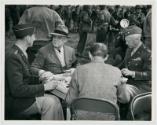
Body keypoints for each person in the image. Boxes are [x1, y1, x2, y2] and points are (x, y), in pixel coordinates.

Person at [5, 24, 64, 120]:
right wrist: (44, 87)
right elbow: (17, 90)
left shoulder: (19, 52)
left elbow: (25, 77)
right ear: (28, 38)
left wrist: (40, 79)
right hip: (15, 102)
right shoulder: (13, 56)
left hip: (20, 98)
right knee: (51, 102)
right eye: (33, 35)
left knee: (56, 100)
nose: (35, 38)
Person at [66, 43, 129, 120]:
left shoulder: (78, 70)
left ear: (89, 55)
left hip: (82, 117)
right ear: (106, 57)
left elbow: (69, 101)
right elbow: (124, 99)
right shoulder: (116, 71)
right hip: (108, 118)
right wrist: (123, 85)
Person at [120, 25, 151, 102]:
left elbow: (151, 74)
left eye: (128, 41)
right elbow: (123, 64)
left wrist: (132, 73)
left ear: (137, 39)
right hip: (129, 82)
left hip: (141, 86)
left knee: (121, 92)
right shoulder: (129, 49)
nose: (126, 43)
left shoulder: (148, 54)